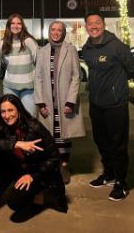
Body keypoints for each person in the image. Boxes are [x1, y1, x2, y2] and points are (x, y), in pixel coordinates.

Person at [0, 94, 67, 226]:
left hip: (38, 170)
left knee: (14, 203)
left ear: (19, 111)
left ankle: (39, 193)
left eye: (10, 110)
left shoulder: (35, 127)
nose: (6, 115)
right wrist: (16, 144)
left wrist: (33, 176)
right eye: (3, 111)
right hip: (19, 166)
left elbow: (55, 157)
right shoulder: (2, 125)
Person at [82, 12, 134, 201]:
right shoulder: (87, 48)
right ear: (86, 27)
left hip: (115, 104)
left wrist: (116, 87)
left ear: (103, 24)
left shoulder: (117, 46)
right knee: (101, 140)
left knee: (118, 144)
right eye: (90, 24)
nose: (93, 26)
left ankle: (121, 183)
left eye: (97, 23)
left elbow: (133, 69)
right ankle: (109, 174)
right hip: (96, 104)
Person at [34, 21, 85, 185]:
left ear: (64, 33)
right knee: (51, 134)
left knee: (64, 134)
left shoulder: (70, 50)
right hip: (48, 99)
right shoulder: (42, 51)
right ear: (49, 32)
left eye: (59, 30)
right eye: (53, 29)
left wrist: (71, 100)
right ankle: (53, 164)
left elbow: (76, 76)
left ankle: (64, 165)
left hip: (65, 99)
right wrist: (40, 102)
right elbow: (38, 78)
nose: (56, 32)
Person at [0, 13, 38, 116]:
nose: (16, 26)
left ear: (22, 25)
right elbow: (3, 64)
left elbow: (38, 62)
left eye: (19, 23)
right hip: (10, 87)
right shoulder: (2, 44)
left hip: (28, 87)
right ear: (8, 25)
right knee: (11, 117)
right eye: (13, 23)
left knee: (30, 117)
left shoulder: (29, 41)